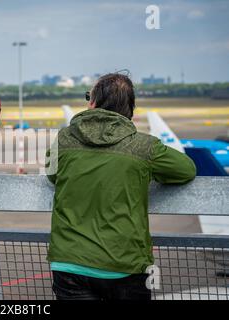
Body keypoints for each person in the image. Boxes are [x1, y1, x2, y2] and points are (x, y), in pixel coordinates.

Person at [45, 73, 196, 300]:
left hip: (69, 264)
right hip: (125, 265)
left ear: (93, 102)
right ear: (129, 108)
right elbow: (186, 170)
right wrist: (145, 173)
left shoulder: (64, 139)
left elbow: (51, 174)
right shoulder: (144, 147)